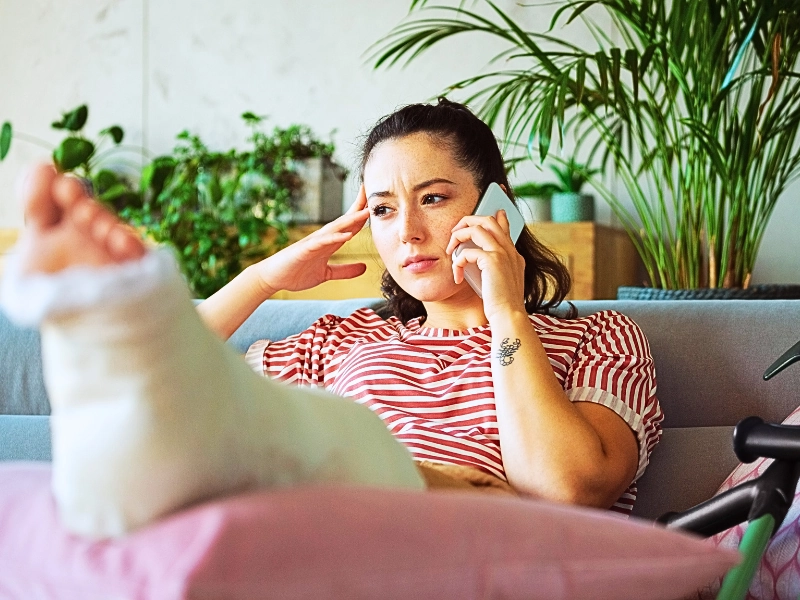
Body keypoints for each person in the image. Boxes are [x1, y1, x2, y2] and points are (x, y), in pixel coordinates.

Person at [0, 98, 661, 539]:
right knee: (178, 418)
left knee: (315, 450)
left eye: (433, 198)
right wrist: (261, 281)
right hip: (317, 540)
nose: (406, 231)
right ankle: (110, 325)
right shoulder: (342, 339)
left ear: (497, 207)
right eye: (380, 209)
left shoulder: (595, 336)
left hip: (477, 544)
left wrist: (506, 309)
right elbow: (169, 389)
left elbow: (569, 489)